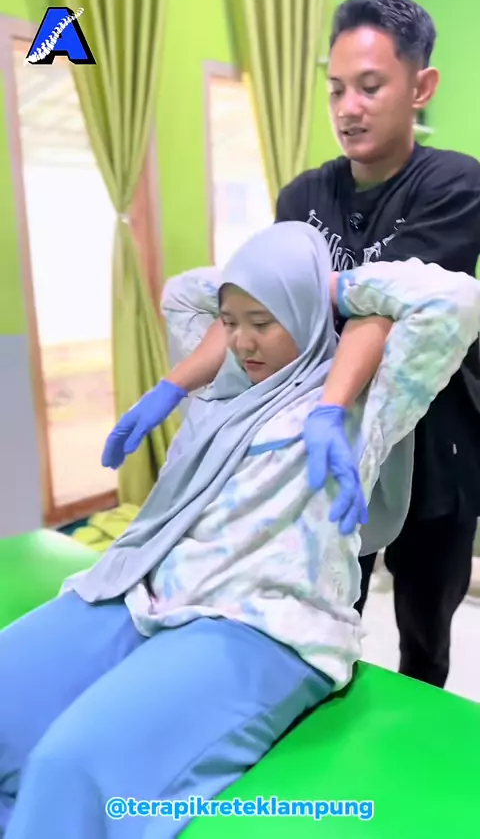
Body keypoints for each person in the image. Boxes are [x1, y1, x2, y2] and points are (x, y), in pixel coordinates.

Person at [2, 222, 480, 839]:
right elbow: (184, 292)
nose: (243, 341)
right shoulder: (226, 383)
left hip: (264, 619)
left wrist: (324, 296)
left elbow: (453, 299)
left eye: (264, 321)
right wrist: (177, 381)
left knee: (72, 766)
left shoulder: (369, 400)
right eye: (231, 322)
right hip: (149, 586)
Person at [103, 0, 480, 689]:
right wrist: (174, 385)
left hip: (432, 444)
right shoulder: (303, 197)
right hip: (326, 445)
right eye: (336, 89)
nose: (348, 108)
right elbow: (259, 312)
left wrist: (330, 405)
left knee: (426, 629)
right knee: (323, 616)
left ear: (420, 87)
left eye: (370, 87)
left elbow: (382, 312)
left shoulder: (454, 184)